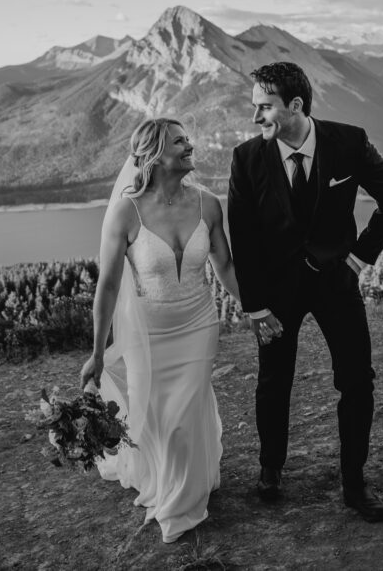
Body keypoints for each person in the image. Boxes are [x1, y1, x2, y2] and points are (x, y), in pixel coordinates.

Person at [228, 61, 383, 522]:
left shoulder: (348, 142)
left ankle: (354, 483)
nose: (255, 118)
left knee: (357, 380)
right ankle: (271, 467)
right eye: (254, 108)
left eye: (264, 107)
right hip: (275, 292)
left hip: (336, 283)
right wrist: (255, 306)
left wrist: (359, 257)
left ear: (295, 105)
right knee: (274, 380)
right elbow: (243, 239)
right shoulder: (246, 159)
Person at [79, 117, 251, 544]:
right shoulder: (126, 211)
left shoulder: (209, 204)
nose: (190, 145)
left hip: (198, 324)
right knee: (156, 419)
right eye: (180, 141)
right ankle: (172, 478)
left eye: (189, 138)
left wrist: (255, 309)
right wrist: (98, 353)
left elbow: (224, 266)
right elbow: (109, 285)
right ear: (154, 155)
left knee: (182, 418)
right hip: (148, 335)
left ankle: (179, 505)